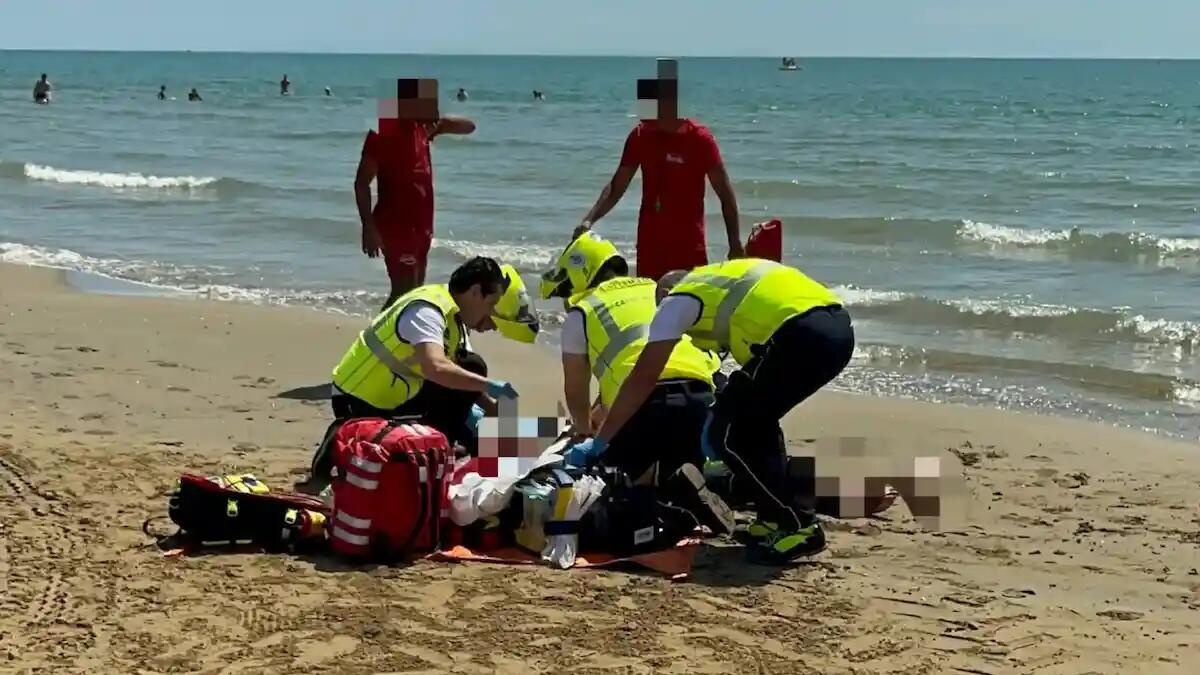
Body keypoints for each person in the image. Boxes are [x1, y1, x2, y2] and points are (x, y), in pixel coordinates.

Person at [565, 258, 853, 564]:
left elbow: (643, 378)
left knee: (729, 430)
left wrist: (600, 441)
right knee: (756, 422)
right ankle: (772, 516)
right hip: (836, 328)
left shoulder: (676, 301)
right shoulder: (720, 281)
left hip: (798, 335)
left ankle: (798, 525)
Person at [541, 233, 734, 534]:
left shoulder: (584, 311)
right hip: (702, 399)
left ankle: (665, 503)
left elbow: (576, 387)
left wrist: (583, 435)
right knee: (677, 468)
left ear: (582, 274)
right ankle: (702, 486)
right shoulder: (656, 288)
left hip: (649, 404)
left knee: (603, 485)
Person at [330, 257, 538, 449]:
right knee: (473, 370)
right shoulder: (427, 311)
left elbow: (460, 380)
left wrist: (492, 406)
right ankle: (442, 444)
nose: (492, 320)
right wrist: (490, 386)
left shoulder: (455, 317)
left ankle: (460, 442)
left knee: (470, 367)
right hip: (358, 401)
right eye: (491, 305)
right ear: (475, 292)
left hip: (392, 395)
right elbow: (436, 367)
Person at [575, 59, 743, 281]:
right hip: (650, 248)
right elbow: (617, 186)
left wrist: (734, 244)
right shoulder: (640, 136)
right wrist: (589, 220)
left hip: (689, 250)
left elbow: (725, 194)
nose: (646, 119)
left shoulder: (701, 140)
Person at [356, 78, 475, 311]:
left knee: (416, 290)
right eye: (430, 105)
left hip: (421, 225)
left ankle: (402, 345)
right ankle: (374, 344)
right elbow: (361, 183)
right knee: (404, 293)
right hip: (396, 225)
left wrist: (439, 124)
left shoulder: (423, 128)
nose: (435, 110)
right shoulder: (383, 130)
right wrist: (368, 228)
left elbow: (469, 126)